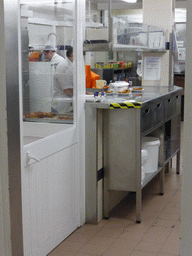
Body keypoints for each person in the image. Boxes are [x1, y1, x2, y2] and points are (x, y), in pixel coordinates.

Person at [52, 46, 74, 114]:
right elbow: (67, 90)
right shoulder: (64, 66)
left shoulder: (70, 65)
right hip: (62, 106)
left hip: (67, 103)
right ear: (72, 54)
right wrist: (83, 95)